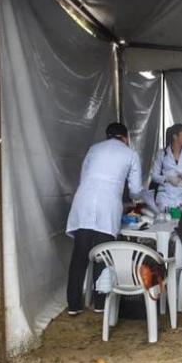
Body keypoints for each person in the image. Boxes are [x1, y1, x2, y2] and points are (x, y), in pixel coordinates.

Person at [65, 122, 142, 315]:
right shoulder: (130, 154)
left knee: (80, 256)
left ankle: (74, 305)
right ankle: (100, 303)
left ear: (108, 136)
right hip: (108, 205)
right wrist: (131, 200)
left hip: (84, 201)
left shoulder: (94, 149)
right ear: (126, 137)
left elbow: (84, 178)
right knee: (103, 254)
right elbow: (135, 190)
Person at [149, 123, 182, 211]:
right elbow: (154, 176)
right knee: (164, 220)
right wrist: (167, 179)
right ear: (175, 136)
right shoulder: (162, 153)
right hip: (165, 195)